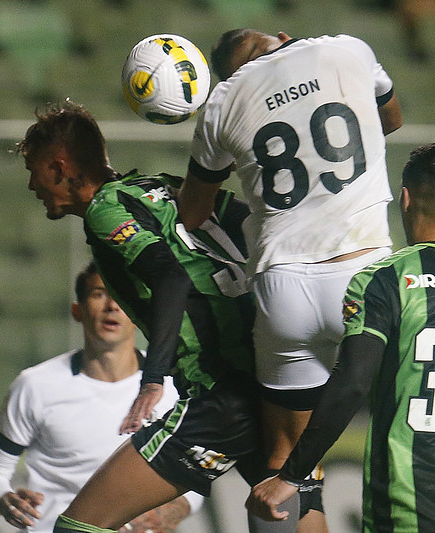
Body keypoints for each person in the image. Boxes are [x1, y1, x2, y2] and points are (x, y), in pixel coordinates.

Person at [19, 100, 302, 533]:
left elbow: (170, 278)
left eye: (33, 171)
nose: (31, 185)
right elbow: (252, 222)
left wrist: (153, 379)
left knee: (79, 527)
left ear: (58, 168)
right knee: (295, 522)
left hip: (219, 395)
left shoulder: (104, 211)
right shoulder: (162, 186)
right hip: (266, 381)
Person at [246, 143, 435, 532]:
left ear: (404, 199)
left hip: (407, 512)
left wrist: (292, 475)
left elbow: (353, 383)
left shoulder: (385, 281)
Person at [177, 28, 404, 529]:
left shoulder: (223, 101)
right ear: (280, 37)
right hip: (367, 280)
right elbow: (391, 118)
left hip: (285, 288)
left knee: (287, 466)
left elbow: (192, 214)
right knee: (414, 432)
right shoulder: (347, 48)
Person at [0, 262, 202, 532]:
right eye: (98, 294)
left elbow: (195, 469)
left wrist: (176, 509)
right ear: (77, 311)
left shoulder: (174, 385)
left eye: (121, 296)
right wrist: (4, 500)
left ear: (138, 312)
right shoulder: (35, 385)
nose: (112, 306)